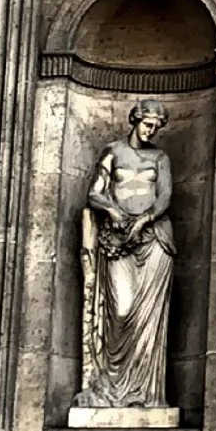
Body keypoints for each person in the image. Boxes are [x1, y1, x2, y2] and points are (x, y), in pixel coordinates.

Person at [81, 98, 176, 411]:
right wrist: (113, 210)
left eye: (156, 127)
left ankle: (146, 394)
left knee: (148, 320)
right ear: (135, 120)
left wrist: (145, 219)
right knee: (121, 310)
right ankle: (112, 388)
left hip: (152, 239)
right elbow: (94, 192)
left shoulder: (160, 157)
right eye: (147, 124)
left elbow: (164, 196)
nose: (151, 131)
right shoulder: (114, 151)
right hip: (116, 238)